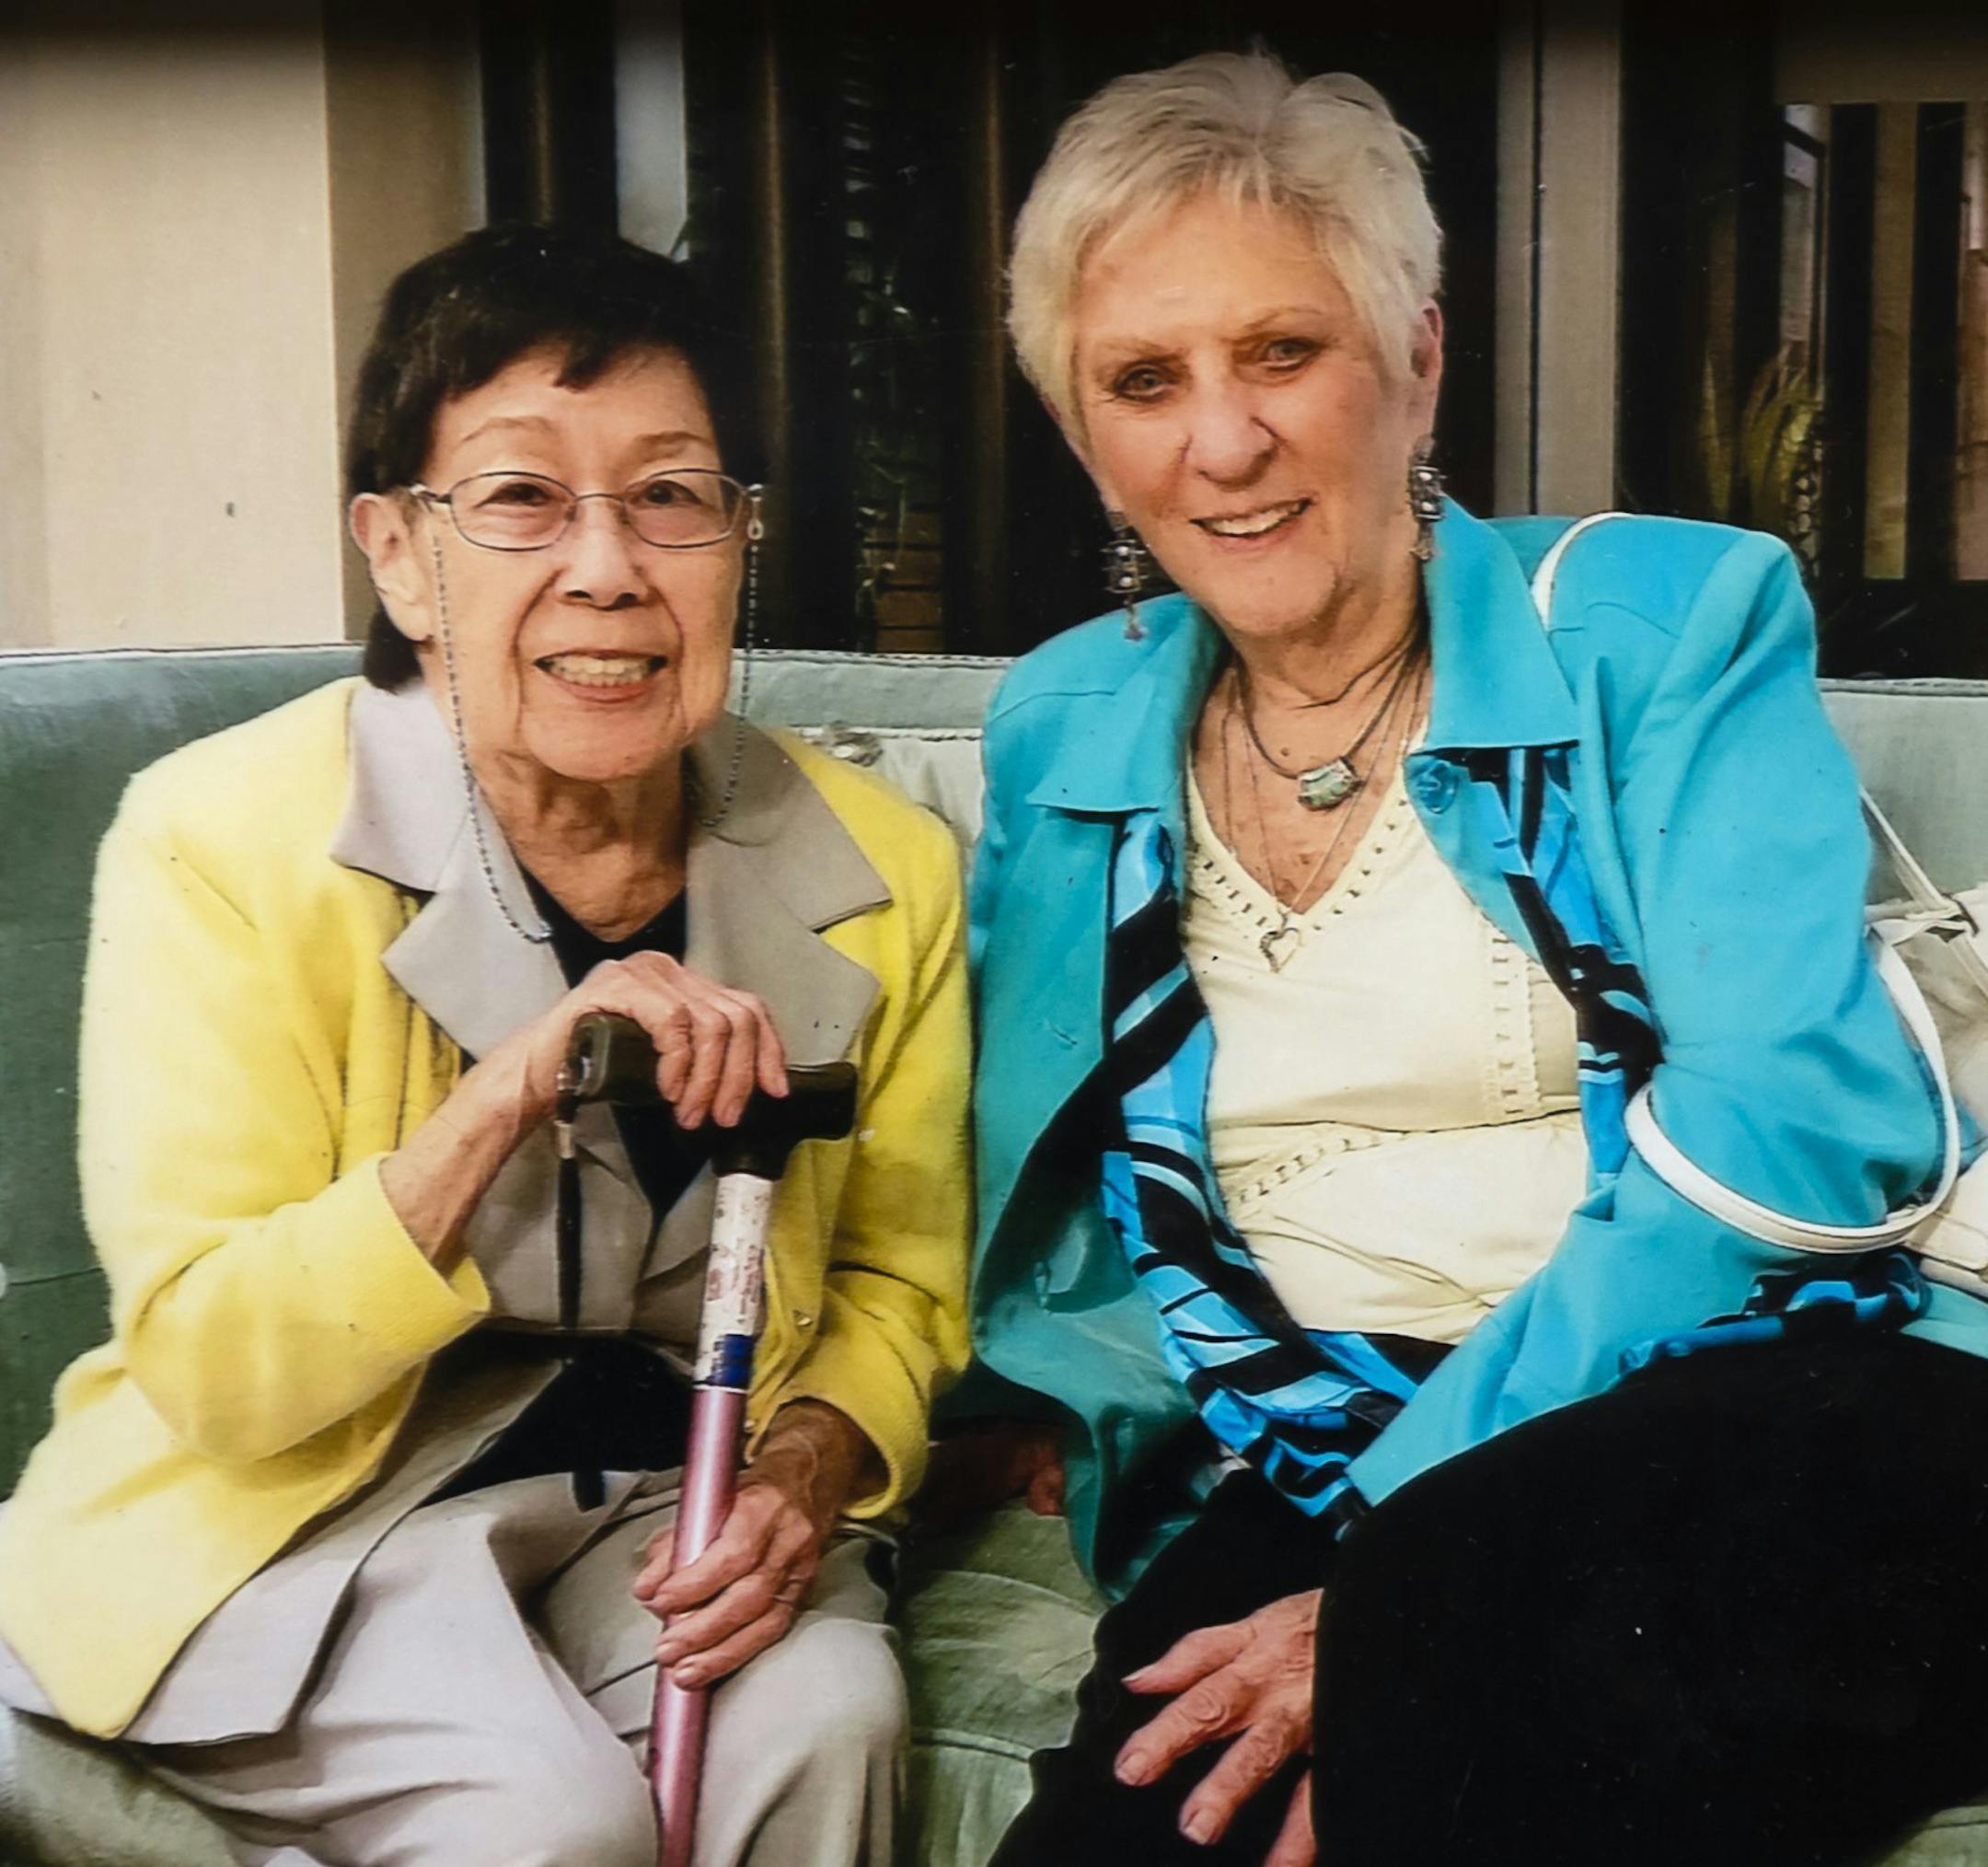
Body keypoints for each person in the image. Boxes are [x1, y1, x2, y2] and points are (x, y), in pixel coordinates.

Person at [969, 50, 1988, 1867]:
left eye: (1283, 351)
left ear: (1419, 359)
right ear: (1084, 429)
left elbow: (1809, 1118)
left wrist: (1402, 1547)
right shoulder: (1068, 725)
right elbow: (1031, 1170)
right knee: (1122, 1835)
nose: (1222, 439)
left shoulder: (1656, 623)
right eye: (1146, 380)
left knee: (1452, 1704)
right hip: (1328, 1435)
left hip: (1765, 1391)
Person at [0, 224, 970, 1867]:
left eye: (672, 497)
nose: (609, 567)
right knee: (557, 1826)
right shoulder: (222, 840)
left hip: (666, 1494)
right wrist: (510, 1089)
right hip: (309, 1511)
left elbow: (901, 1284)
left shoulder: (884, 869)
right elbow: (214, 1359)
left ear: (739, 541)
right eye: (521, 499)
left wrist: (807, 1471)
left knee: (827, 1721)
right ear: (398, 553)